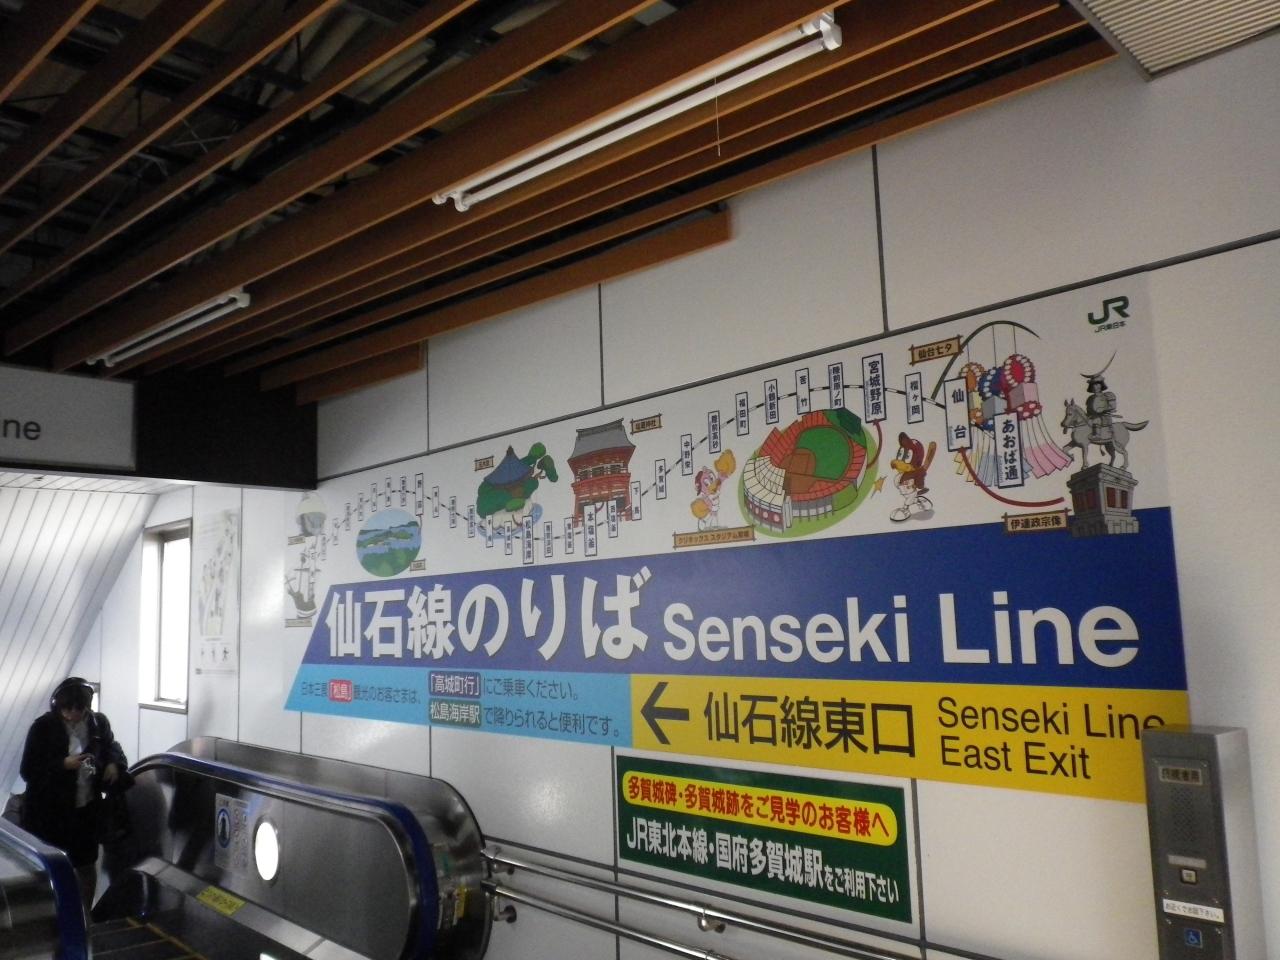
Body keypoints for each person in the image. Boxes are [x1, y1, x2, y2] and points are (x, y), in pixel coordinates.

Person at [19, 677, 129, 910]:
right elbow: (28, 770)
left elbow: (112, 747)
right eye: (67, 709)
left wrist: (113, 764)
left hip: (85, 810)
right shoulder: (43, 727)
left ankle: (84, 914)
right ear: (57, 705)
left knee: (87, 864)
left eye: (78, 709)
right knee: (51, 866)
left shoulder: (97, 723)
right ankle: (53, 916)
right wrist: (62, 764)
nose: (72, 715)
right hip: (49, 814)